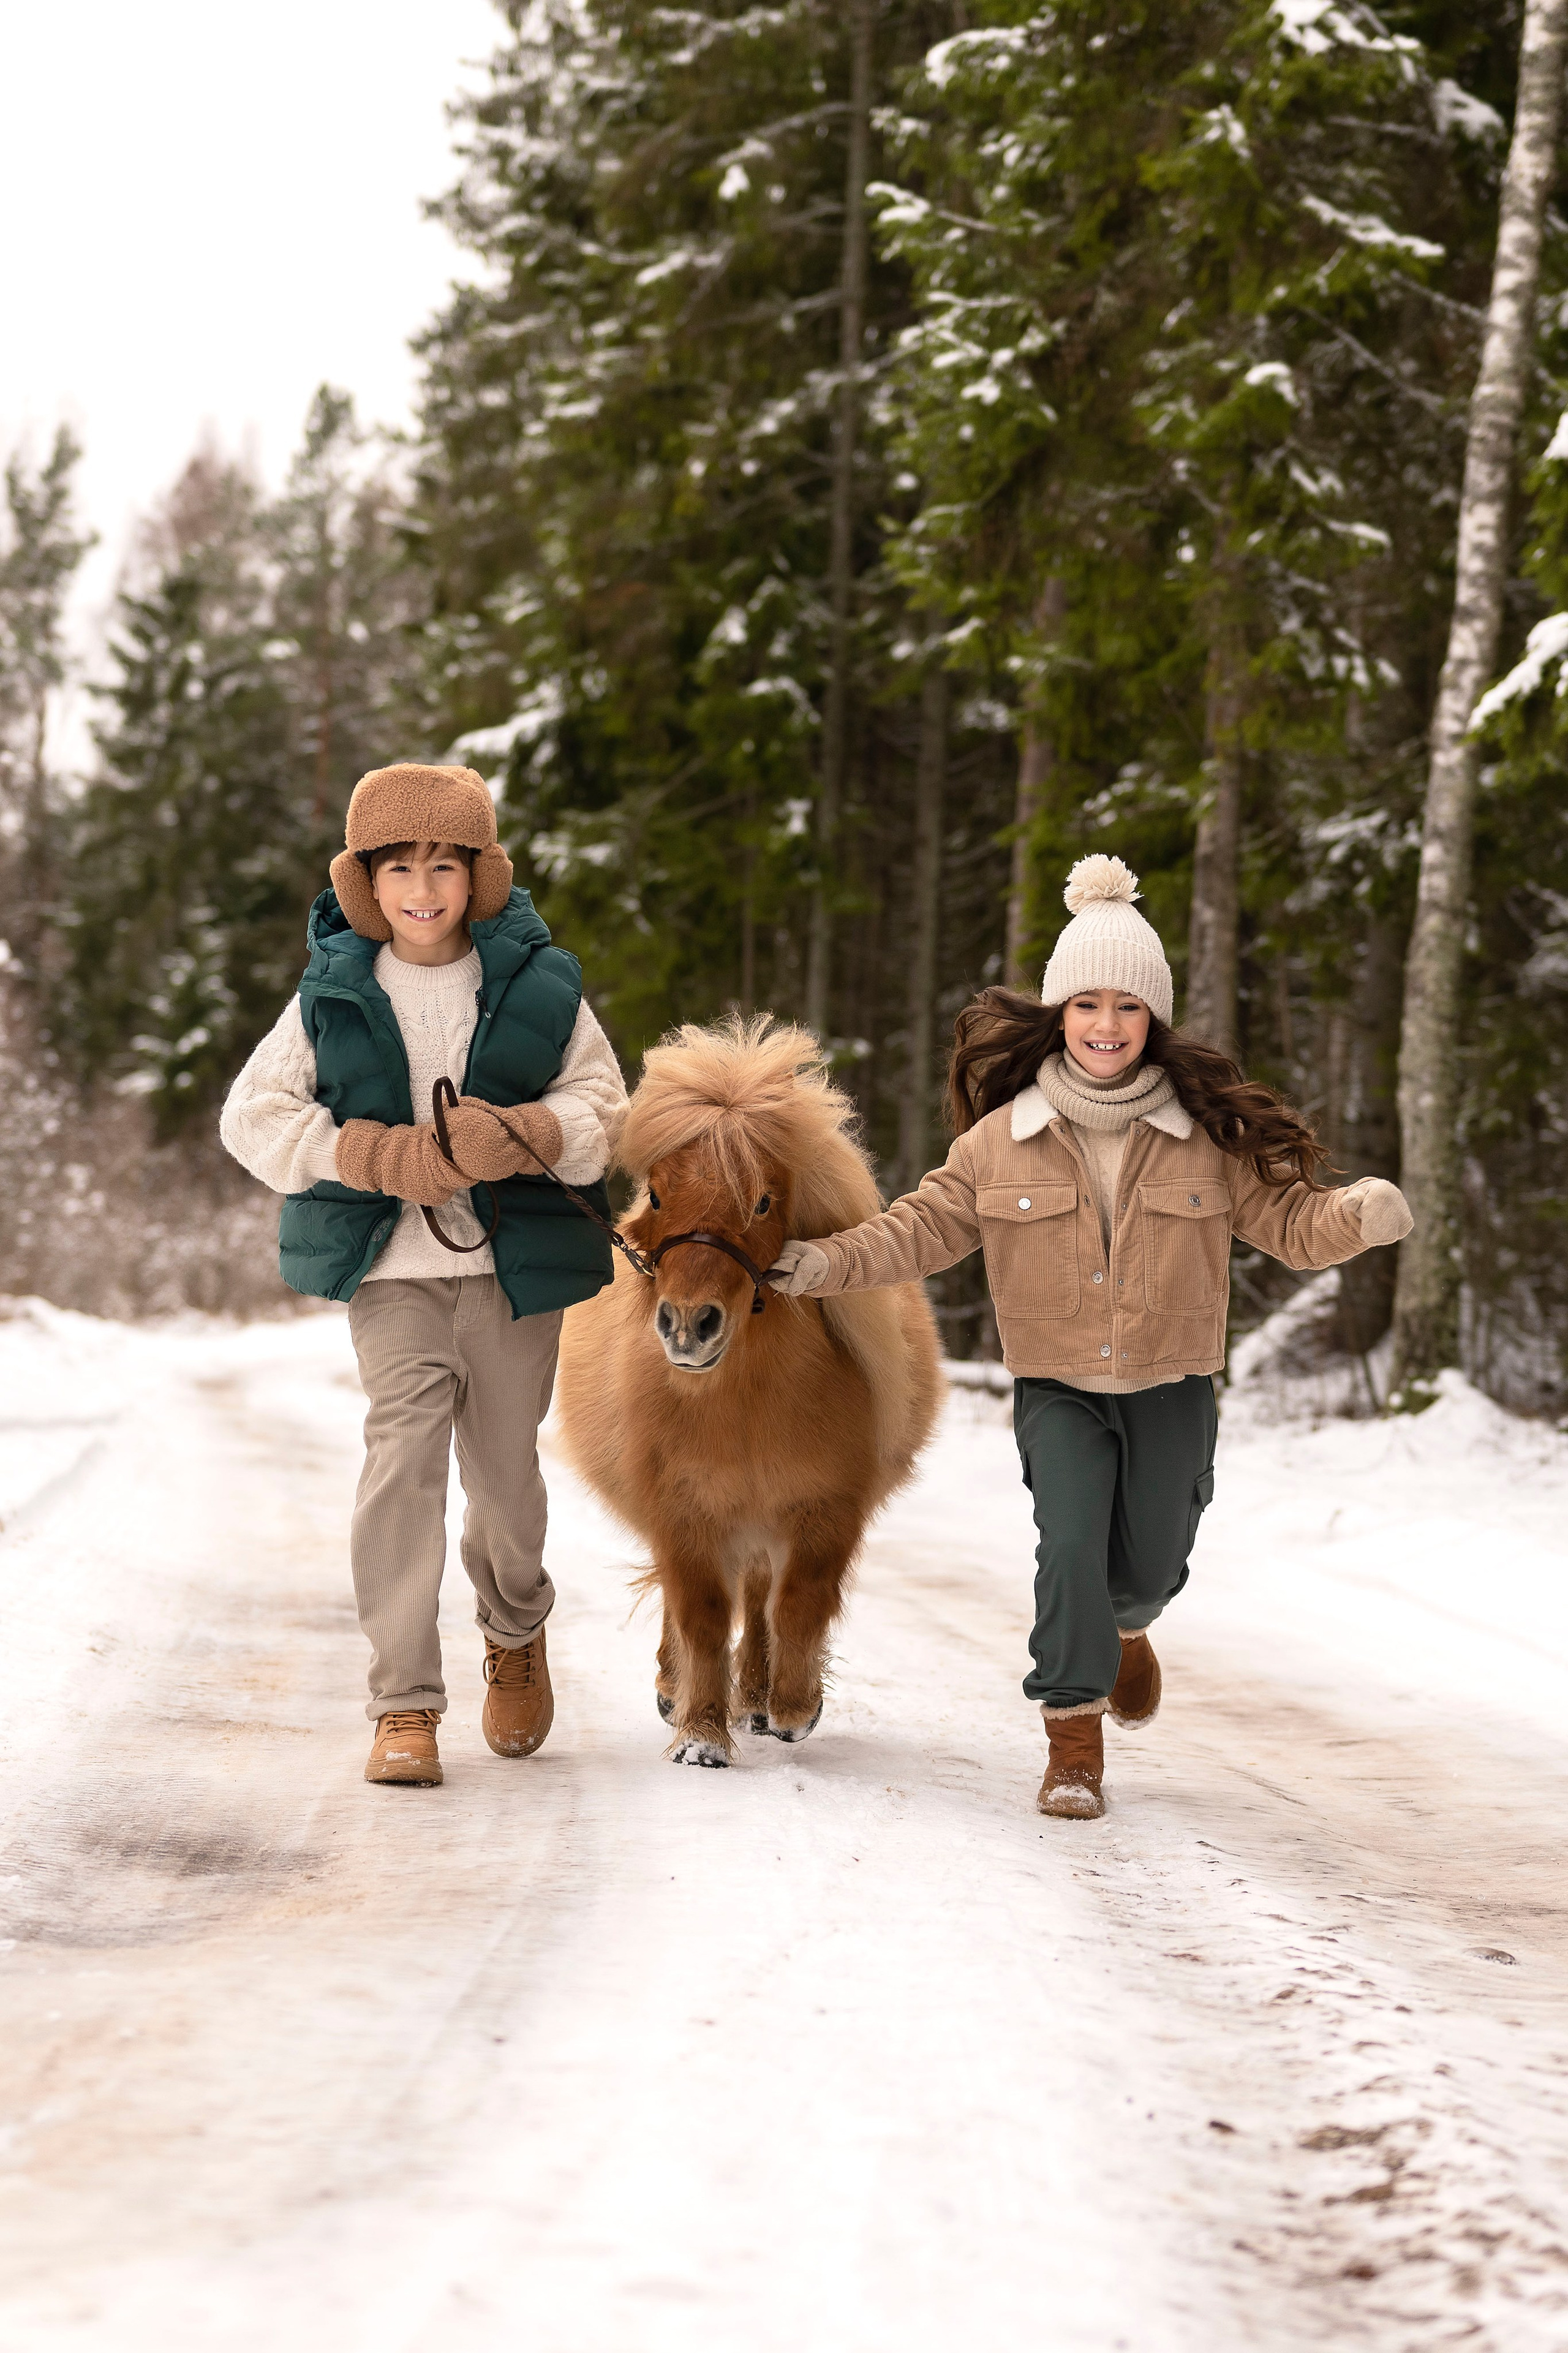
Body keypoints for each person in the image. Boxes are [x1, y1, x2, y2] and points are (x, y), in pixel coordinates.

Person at [768, 854, 1411, 1820]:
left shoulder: (1203, 1134)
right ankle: (1073, 1743)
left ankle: (1129, 1624)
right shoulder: (998, 1143)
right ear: (1058, 1016)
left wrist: (1356, 1216)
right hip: (1058, 1383)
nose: (1106, 1026)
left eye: (1127, 1007)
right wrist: (820, 1263)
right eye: (1086, 1005)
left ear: (1152, 1020)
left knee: (1149, 1561)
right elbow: (916, 1230)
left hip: (1173, 1383)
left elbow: (1290, 1222)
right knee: (1067, 1542)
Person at [221, 763, 627, 1789]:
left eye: (445, 864)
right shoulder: (332, 990)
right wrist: (365, 1154)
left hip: (512, 1276)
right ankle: (403, 1703)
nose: (423, 887)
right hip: (391, 1275)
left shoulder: (541, 985)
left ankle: (515, 1627)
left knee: (505, 1482)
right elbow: (252, 1117)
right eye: (398, 866)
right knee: (400, 1467)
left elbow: (610, 1114)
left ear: (480, 873)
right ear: (363, 879)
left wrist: (532, 1131)